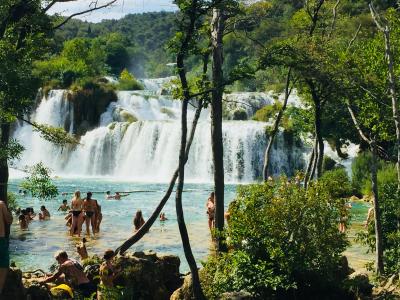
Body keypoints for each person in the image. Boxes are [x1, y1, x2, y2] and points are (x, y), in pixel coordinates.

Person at [0, 200, 12, 296]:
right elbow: (9, 221)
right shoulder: (0, 204)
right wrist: (10, 212)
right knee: (3, 264)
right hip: (0, 238)